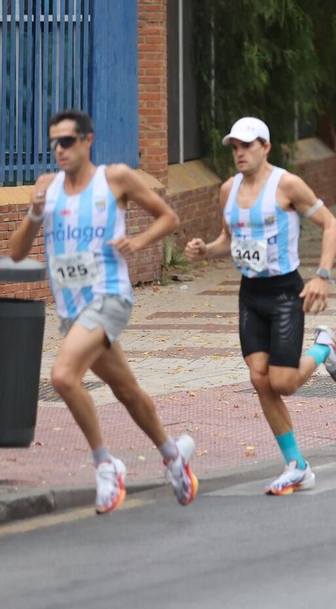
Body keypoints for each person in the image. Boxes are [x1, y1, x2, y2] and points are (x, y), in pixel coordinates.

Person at [8, 110, 198, 514]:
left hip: (110, 297)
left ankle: (105, 465)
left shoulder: (114, 179)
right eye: (54, 143)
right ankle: (172, 455)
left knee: (62, 376)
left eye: (67, 141)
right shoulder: (48, 187)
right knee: (126, 389)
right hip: (72, 310)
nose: (59, 150)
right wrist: (33, 212)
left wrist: (138, 241)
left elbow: (169, 218)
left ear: (87, 141)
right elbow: (17, 253)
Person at [184, 116, 336, 495]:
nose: (239, 153)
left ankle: (324, 346)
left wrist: (322, 275)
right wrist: (206, 250)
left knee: (283, 383)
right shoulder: (228, 190)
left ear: (266, 147)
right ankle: (296, 465)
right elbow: (229, 239)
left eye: (247, 145)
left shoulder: (286, 184)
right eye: (235, 147)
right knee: (260, 379)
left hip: (284, 293)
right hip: (250, 294)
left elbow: (331, 224)